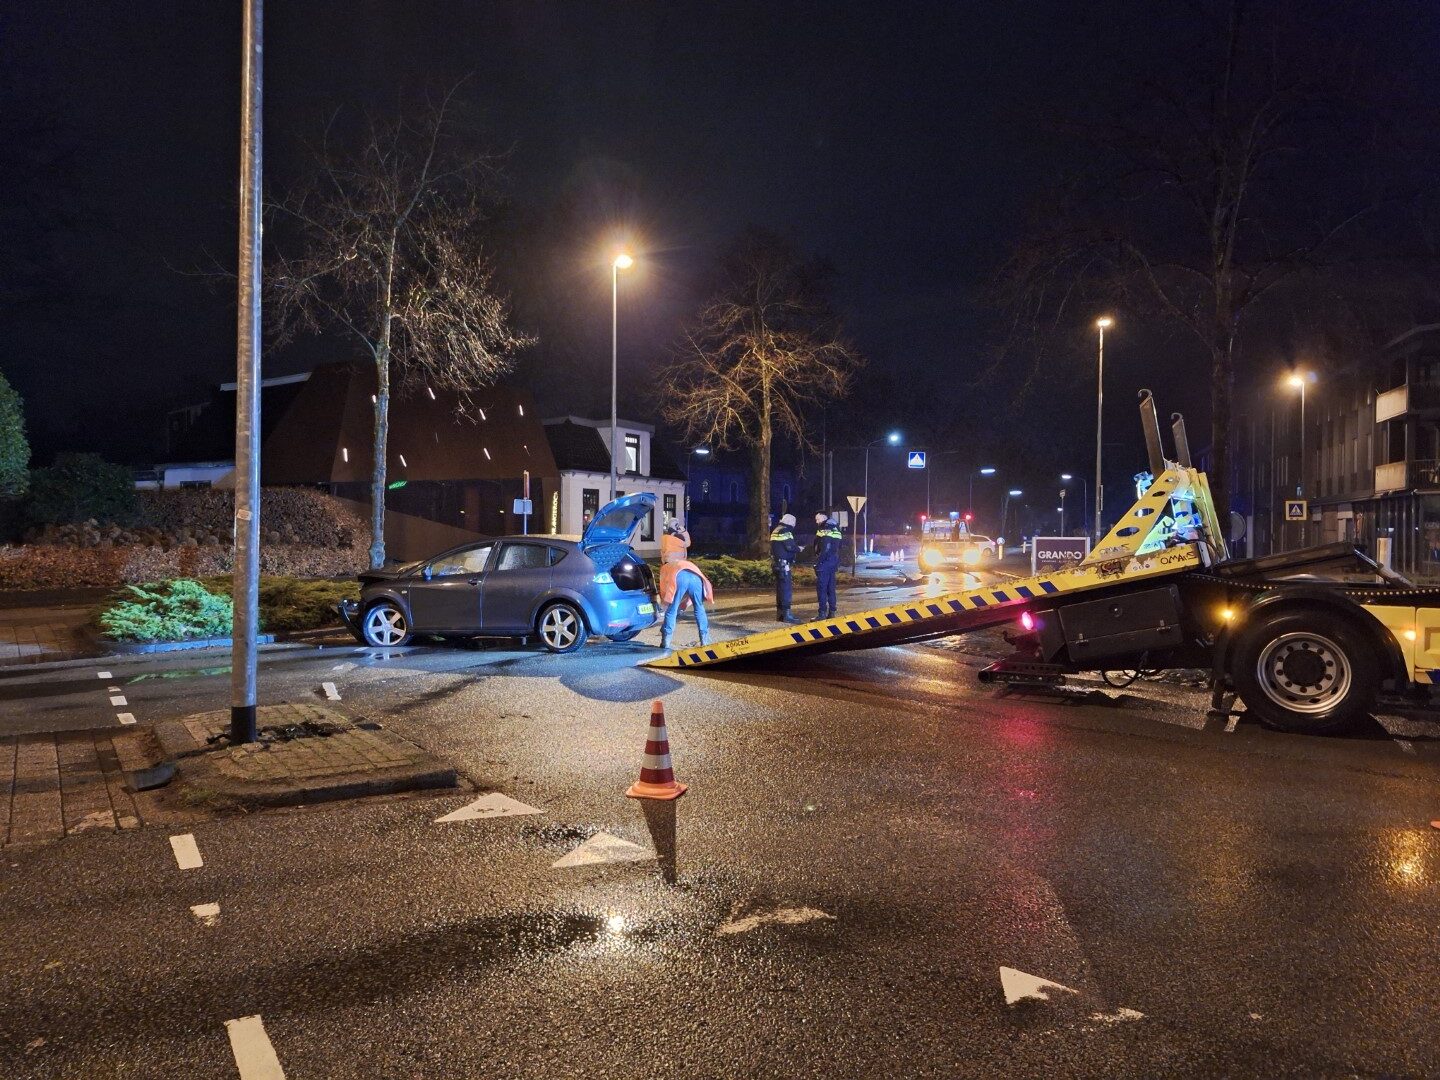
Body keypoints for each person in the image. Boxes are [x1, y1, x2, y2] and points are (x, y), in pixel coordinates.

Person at [658, 520, 713, 651]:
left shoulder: (665, 547)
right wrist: (681, 529)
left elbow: (667, 597)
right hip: (693, 572)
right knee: (699, 608)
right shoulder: (683, 541)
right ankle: (704, 640)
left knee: (671, 609)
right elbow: (687, 542)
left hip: (677, 574)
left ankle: (666, 641)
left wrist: (666, 608)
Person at [770, 512, 802, 623]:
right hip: (784, 565)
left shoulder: (776, 530)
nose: (794, 525)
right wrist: (799, 549)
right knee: (786, 590)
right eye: (794, 523)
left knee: (780, 590)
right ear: (790, 522)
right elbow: (790, 547)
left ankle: (780, 615)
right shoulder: (785, 531)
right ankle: (787, 615)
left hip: (777, 564)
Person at [811, 511, 842, 619]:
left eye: (818, 519)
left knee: (822, 589)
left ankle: (822, 614)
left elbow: (825, 548)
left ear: (824, 517)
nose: (816, 521)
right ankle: (832, 612)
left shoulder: (826, 528)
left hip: (824, 563)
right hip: (833, 562)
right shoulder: (835, 528)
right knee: (831, 588)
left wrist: (819, 562)